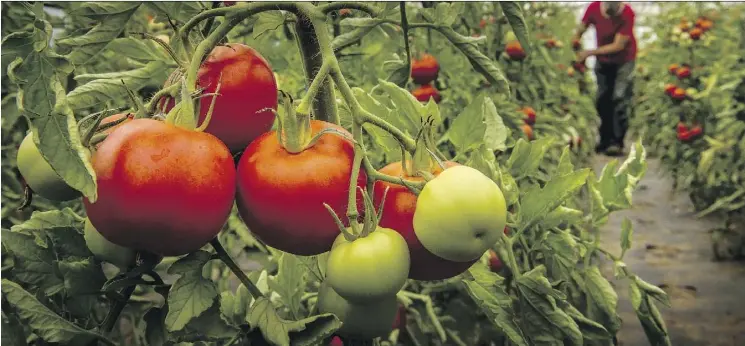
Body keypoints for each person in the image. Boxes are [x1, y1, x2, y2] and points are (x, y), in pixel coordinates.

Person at [573, 1, 637, 156]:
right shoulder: (594, 8)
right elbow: (580, 30)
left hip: (624, 61)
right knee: (602, 98)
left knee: (619, 97)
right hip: (603, 62)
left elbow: (618, 45)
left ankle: (617, 142)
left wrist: (589, 53)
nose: (610, 12)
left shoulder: (627, 13)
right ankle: (604, 140)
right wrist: (575, 46)